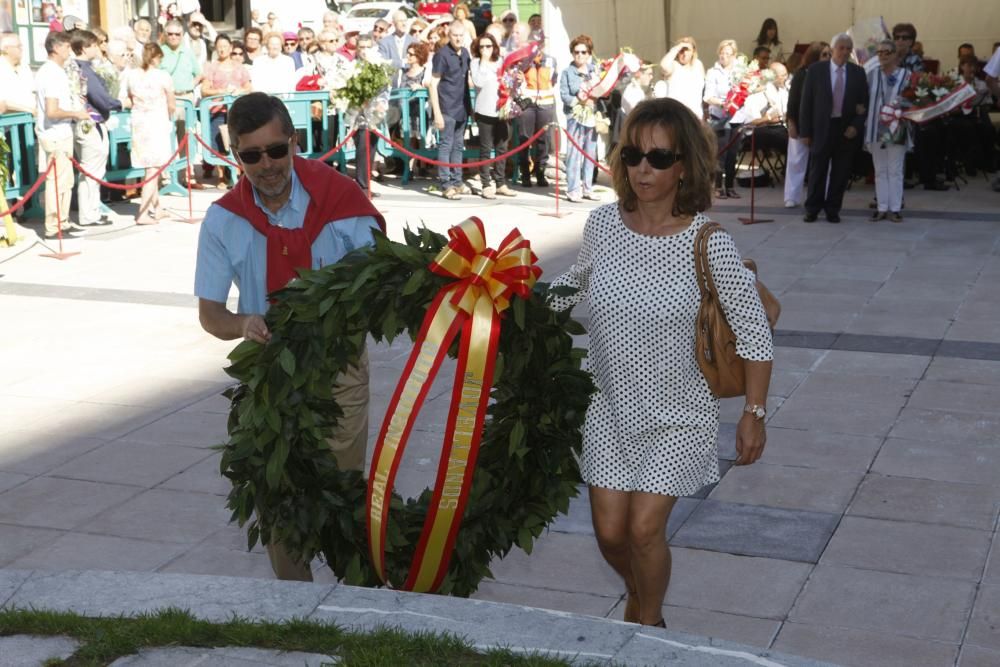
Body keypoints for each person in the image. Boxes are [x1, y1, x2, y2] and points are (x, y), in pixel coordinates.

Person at [549, 96, 772, 628]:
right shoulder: (603, 225)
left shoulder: (707, 243)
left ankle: (648, 626)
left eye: (659, 158)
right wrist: (510, 303)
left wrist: (754, 412)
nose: (643, 169)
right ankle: (638, 589)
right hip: (607, 406)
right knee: (610, 534)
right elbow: (573, 282)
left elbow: (755, 332)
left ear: (684, 166)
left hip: (679, 412)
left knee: (645, 530)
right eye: (633, 156)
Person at [194, 93, 384, 581]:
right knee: (278, 500)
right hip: (269, 373)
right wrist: (242, 324)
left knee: (339, 494)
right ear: (235, 154)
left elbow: (380, 287)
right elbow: (211, 313)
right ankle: (295, 610)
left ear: (294, 143)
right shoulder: (223, 219)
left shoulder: (342, 202)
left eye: (276, 151)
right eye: (251, 155)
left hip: (338, 369)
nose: (267, 166)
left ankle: (353, 600)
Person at [799, 33, 868, 223]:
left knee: (841, 172)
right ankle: (812, 208)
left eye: (848, 48)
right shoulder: (816, 71)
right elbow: (806, 103)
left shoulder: (858, 73)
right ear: (833, 49)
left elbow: (864, 104)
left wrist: (856, 126)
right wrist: (805, 132)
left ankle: (833, 209)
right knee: (817, 170)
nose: (844, 52)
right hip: (822, 127)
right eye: (841, 48)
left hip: (845, 130)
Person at [35, 31, 90, 239]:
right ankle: (53, 226)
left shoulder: (54, 71)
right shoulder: (51, 73)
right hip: (55, 133)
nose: (69, 51)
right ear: (56, 48)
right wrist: (76, 113)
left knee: (66, 181)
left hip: (61, 132)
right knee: (57, 182)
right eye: (66, 47)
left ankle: (63, 221)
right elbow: (51, 110)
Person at [71, 30, 122, 228]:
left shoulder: (79, 67)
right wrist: (118, 103)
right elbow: (98, 96)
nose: (97, 48)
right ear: (84, 48)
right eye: (93, 45)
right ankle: (88, 214)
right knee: (91, 170)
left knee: (93, 170)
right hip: (90, 123)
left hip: (87, 123)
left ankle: (92, 210)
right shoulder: (83, 69)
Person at [125, 43, 176, 225]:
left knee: (150, 168)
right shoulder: (162, 76)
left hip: (139, 123)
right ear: (156, 57)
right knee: (153, 170)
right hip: (157, 123)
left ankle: (157, 207)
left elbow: (130, 98)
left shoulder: (132, 76)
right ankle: (143, 213)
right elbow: (171, 103)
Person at [863, 40, 908, 223]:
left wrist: (899, 109)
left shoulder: (905, 74)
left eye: (887, 52)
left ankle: (895, 208)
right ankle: (882, 207)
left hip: (897, 127)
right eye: (879, 52)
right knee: (880, 170)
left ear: (895, 54)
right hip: (875, 127)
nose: (882, 56)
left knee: (895, 169)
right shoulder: (870, 74)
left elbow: (913, 99)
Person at [201, 34, 251, 188]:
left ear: (230, 47)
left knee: (239, 142)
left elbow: (248, 87)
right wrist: (221, 91)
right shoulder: (211, 67)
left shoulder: (239, 67)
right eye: (219, 46)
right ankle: (221, 176)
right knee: (219, 143)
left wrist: (238, 90)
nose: (222, 49)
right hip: (217, 110)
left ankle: (240, 173)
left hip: (238, 110)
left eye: (225, 46)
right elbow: (204, 89)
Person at [428, 20, 471, 200]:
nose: (458, 38)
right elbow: (432, 84)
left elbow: (467, 80)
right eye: (455, 35)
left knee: (458, 146)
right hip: (446, 107)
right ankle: (446, 184)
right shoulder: (442, 55)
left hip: (462, 107)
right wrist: (437, 113)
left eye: (461, 35)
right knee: (446, 145)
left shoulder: (466, 53)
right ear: (449, 35)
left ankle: (457, 181)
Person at [784, 41, 829, 208]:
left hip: (821, 125)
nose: (827, 58)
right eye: (824, 54)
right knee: (796, 161)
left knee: (822, 163)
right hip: (801, 123)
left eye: (829, 54)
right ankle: (791, 197)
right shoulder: (801, 74)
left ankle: (821, 195)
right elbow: (793, 101)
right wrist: (792, 123)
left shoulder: (830, 74)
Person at [471, 31, 515, 199]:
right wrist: (483, 60)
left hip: (502, 111)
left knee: (502, 148)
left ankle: (500, 182)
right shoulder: (476, 63)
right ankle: (486, 184)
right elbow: (478, 82)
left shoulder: (501, 62)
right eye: (481, 46)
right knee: (485, 149)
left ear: (494, 47)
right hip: (484, 111)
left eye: (488, 46)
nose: (485, 49)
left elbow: (510, 83)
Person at [560, 34, 601, 203]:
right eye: (576, 52)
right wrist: (581, 98)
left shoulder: (595, 70)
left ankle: (588, 187)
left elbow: (603, 92)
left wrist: (595, 96)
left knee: (590, 153)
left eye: (584, 52)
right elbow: (564, 96)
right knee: (574, 154)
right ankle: (573, 189)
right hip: (574, 117)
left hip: (591, 116)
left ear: (589, 53)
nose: (580, 55)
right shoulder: (567, 72)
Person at [516, 23, 558, 188]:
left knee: (543, 140)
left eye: (539, 43)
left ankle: (540, 173)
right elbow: (516, 81)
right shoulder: (523, 61)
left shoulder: (551, 61)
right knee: (524, 139)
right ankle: (525, 173)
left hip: (546, 103)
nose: (537, 46)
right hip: (528, 103)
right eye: (534, 42)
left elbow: (553, 80)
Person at [704, 39, 741, 199]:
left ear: (734, 56)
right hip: (719, 116)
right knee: (721, 153)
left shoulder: (739, 72)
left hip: (737, 117)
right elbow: (708, 96)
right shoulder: (713, 72)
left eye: (728, 53)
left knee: (733, 153)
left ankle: (730, 185)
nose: (724, 56)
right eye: (722, 53)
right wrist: (723, 103)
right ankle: (718, 186)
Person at [655, 37, 705, 120]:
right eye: (682, 50)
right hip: (676, 115)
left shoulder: (698, 65)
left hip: (695, 115)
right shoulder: (674, 65)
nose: (684, 54)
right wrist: (677, 48)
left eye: (687, 50)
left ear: (693, 52)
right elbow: (664, 65)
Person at [0, 33, 35, 115]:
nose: (21, 49)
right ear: (6, 49)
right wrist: (29, 110)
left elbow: (33, 91)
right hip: (12, 122)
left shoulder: (24, 66)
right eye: (19, 46)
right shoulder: (2, 68)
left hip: (31, 119)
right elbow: (3, 103)